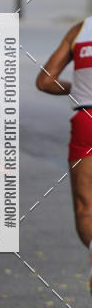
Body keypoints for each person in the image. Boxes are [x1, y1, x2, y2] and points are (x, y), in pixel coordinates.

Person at [37, 18, 92, 290]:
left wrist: (76, 89)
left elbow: (46, 81)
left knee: (86, 207)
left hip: (87, 119)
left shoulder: (80, 30)